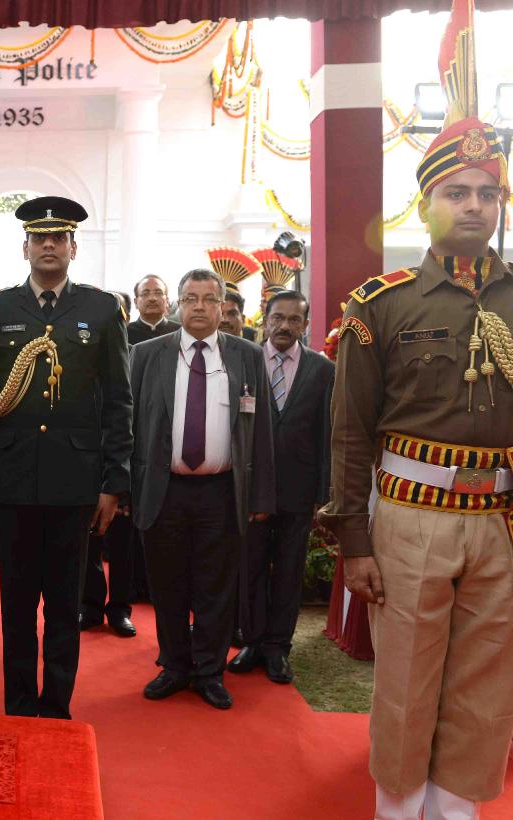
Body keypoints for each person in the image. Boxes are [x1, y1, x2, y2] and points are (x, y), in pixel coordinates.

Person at [321, 8, 513, 809]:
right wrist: (353, 541)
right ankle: (399, 808)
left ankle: (458, 808)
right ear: (427, 203)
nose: (475, 206)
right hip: (410, 518)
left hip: (499, 521)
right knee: (405, 682)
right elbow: (350, 433)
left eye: (489, 193)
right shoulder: (382, 303)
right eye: (456, 193)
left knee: (487, 685)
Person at [0, 196, 133, 719]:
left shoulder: (101, 309)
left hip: (74, 482)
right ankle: (19, 706)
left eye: (59, 238)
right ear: (25, 248)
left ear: (73, 248)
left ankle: (56, 706)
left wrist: (114, 483)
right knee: (17, 605)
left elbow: (119, 401)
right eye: (40, 238)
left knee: (64, 605)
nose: (49, 245)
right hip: (10, 482)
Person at [130, 268, 274, 711]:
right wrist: (122, 488)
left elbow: (262, 429)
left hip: (222, 491)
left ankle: (210, 671)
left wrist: (260, 496)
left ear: (222, 306)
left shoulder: (247, 355)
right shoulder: (145, 354)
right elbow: (126, 424)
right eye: (190, 298)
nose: (198, 307)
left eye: (208, 299)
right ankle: (175, 665)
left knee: (217, 587)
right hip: (163, 489)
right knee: (167, 584)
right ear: (178, 303)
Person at [228, 290, 333, 684]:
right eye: (278, 318)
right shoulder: (245, 361)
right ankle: (252, 642)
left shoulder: (322, 370)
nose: (285, 326)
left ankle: (278, 648)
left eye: (294, 319)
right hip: (251, 488)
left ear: (305, 324)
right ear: (265, 319)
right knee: (250, 567)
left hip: (298, 489)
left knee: (289, 570)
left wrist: (324, 493)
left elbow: (326, 434)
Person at [128, 275, 180, 344]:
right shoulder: (124, 333)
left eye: (158, 293)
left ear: (167, 301)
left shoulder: (181, 332)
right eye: (145, 294)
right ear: (135, 302)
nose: (152, 298)